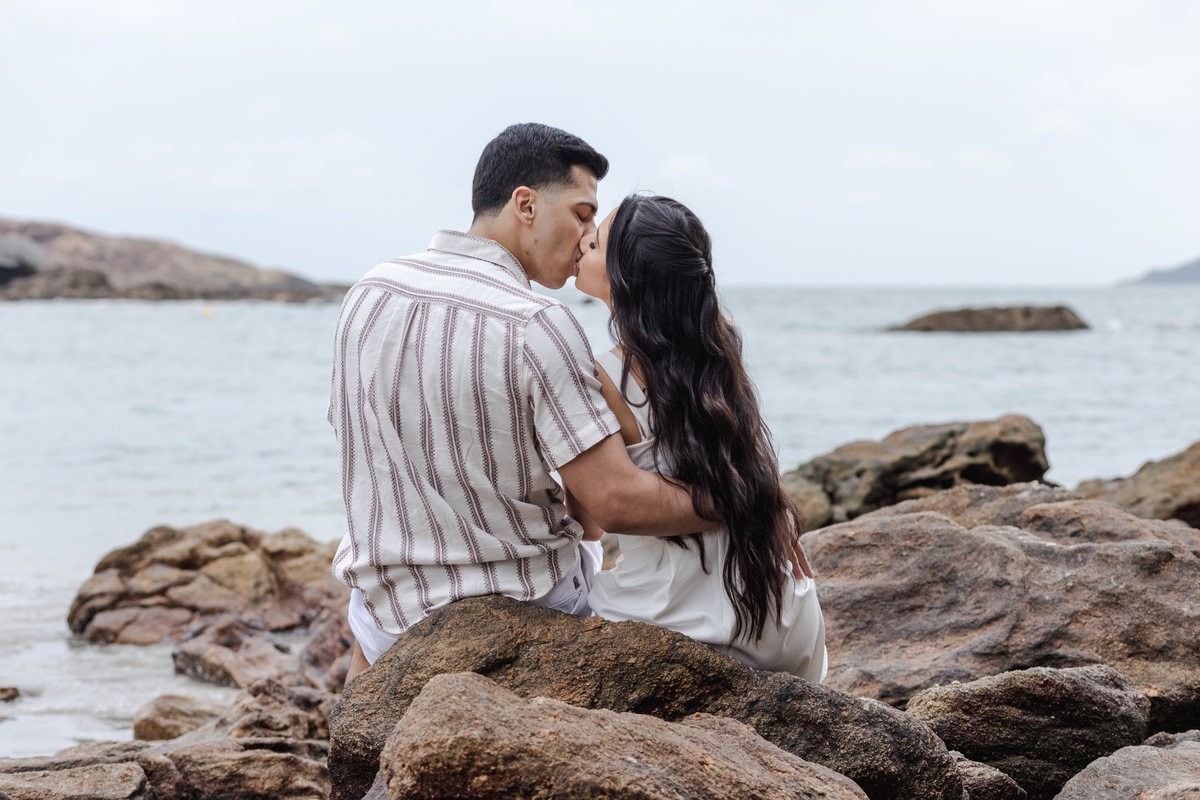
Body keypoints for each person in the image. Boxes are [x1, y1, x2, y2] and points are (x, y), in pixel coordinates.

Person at [329, 124, 746, 683]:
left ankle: (359, 730)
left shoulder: (370, 290)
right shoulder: (535, 323)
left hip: (385, 615)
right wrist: (741, 500)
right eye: (581, 214)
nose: (586, 237)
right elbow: (614, 502)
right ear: (524, 205)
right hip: (517, 611)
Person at [570, 194, 826, 682]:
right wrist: (761, 499)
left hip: (685, 619)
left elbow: (589, 519)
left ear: (627, 276)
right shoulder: (716, 345)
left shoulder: (602, 375)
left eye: (596, 241)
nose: (583, 241)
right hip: (783, 620)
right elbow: (742, 462)